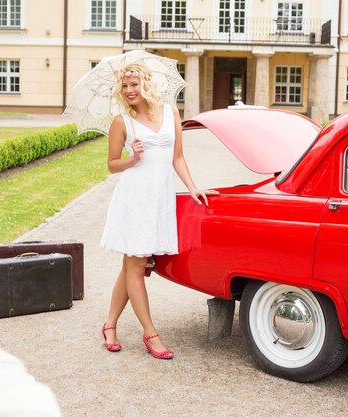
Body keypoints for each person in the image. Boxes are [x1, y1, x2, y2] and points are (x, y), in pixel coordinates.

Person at [100, 63, 217, 360]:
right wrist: (133, 157)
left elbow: (177, 156)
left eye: (134, 84)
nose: (129, 91)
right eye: (124, 86)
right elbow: (112, 164)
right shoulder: (121, 121)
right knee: (137, 264)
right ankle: (150, 333)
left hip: (159, 199)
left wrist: (192, 187)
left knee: (131, 265)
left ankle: (109, 325)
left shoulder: (171, 112)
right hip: (135, 199)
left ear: (147, 83)